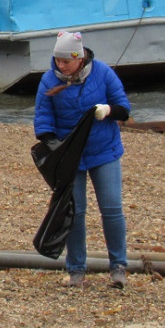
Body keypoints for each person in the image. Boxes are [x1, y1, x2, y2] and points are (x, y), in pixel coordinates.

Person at [33, 31, 132, 289]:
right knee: (75, 213)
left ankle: (118, 266)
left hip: (104, 152)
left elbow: (124, 108)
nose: (60, 65)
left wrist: (108, 110)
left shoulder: (102, 73)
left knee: (111, 209)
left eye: (65, 61)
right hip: (71, 157)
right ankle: (76, 268)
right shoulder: (48, 81)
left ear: (79, 58)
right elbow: (43, 123)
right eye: (57, 60)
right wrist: (56, 147)